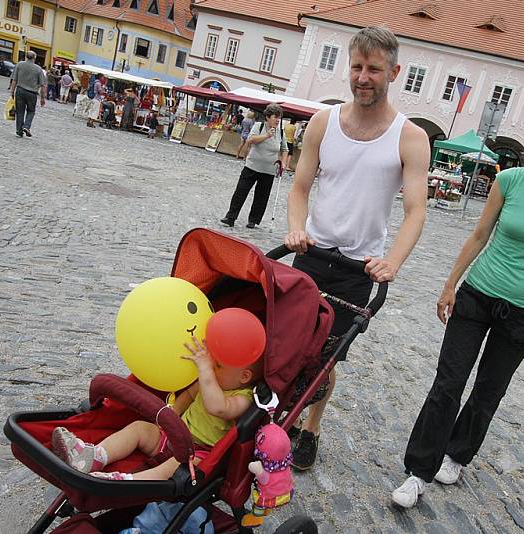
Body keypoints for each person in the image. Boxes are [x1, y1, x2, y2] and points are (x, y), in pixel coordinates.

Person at [392, 106, 524, 508]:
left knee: (488, 391)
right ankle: (417, 472)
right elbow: (478, 235)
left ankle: (457, 454)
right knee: (448, 383)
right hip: (478, 295)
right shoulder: (510, 180)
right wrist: (450, 284)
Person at [283, 26, 429, 471]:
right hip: (311, 252)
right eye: (357, 67)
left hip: (357, 267)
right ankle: (279, 419)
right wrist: (294, 228)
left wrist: (393, 262)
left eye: (374, 69)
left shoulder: (410, 137)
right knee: (289, 345)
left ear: (394, 72)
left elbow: (416, 210)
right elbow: (300, 188)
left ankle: (311, 426)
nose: (363, 77)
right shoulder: (323, 122)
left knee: (325, 359)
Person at [51, 339, 261, 481]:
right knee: (139, 428)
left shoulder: (243, 398)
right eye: (211, 362)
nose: (211, 366)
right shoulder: (209, 380)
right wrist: (170, 414)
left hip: (197, 452)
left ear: (243, 377)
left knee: (174, 469)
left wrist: (205, 370)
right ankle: (94, 455)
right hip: (172, 435)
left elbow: (218, 407)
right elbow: (188, 396)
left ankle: (126, 481)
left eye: (218, 366)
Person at [220, 103, 288, 229]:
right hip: (252, 166)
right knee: (240, 192)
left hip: (269, 170)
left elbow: (284, 149)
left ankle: (253, 220)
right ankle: (231, 217)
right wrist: (266, 135)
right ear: (267, 117)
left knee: (261, 197)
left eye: (279, 118)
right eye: (275, 117)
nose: (278, 120)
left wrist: (283, 162)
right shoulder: (259, 126)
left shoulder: (281, 133)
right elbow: (250, 140)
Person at [8, 50, 46, 138]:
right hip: (32, 93)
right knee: (31, 111)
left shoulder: (19, 65)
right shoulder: (38, 69)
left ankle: (19, 131)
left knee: (20, 111)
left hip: (20, 90)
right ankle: (27, 126)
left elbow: (14, 79)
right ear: (34, 58)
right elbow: (43, 85)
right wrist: (42, 98)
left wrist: (12, 92)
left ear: (26, 56)